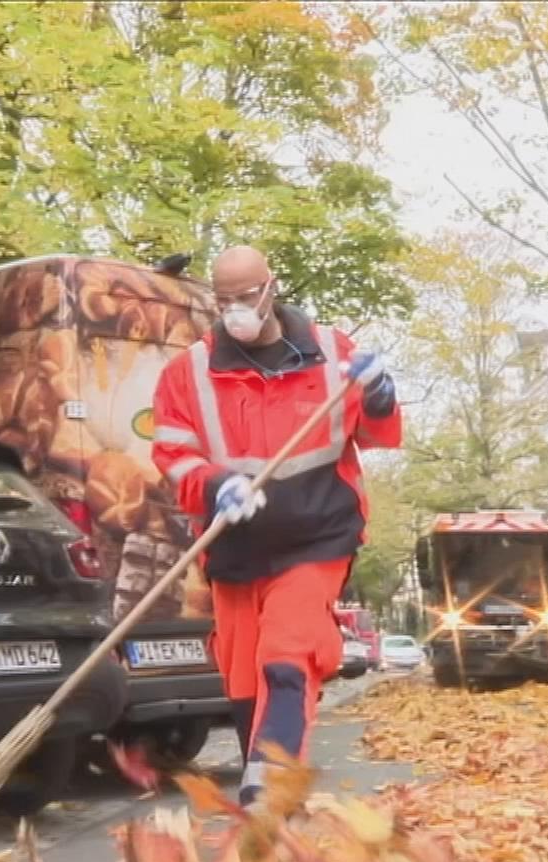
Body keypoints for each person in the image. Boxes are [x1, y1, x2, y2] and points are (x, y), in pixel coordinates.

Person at [149, 245, 400, 805]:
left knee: (288, 650)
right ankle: (265, 795)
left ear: (271, 288)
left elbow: (377, 432)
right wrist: (217, 486)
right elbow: (172, 454)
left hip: (318, 535)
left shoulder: (332, 352)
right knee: (242, 677)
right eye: (224, 299)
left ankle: (270, 782)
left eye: (246, 295)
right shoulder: (188, 373)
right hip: (235, 545)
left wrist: (380, 391)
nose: (236, 308)